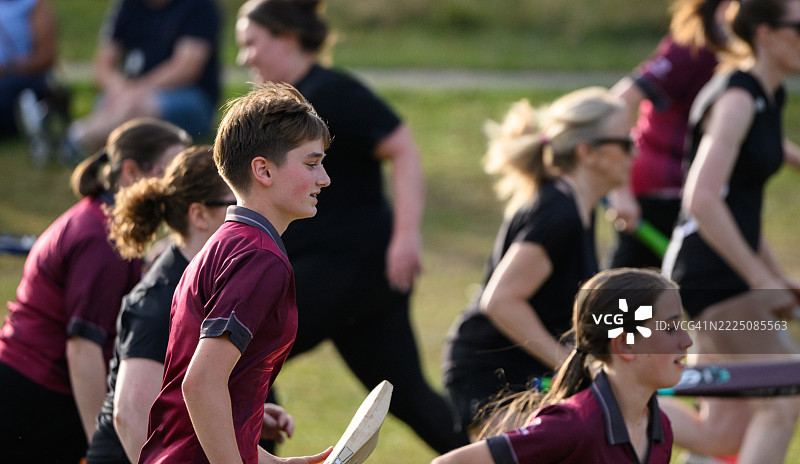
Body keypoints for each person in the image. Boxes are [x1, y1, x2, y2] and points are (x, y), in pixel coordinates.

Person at [234, 0, 469, 453]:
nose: (245, 57)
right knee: (411, 398)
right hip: (355, 278)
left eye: (251, 42)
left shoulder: (331, 91)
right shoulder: (284, 107)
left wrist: (406, 235)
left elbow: (402, 147)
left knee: (244, 354)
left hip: (349, 267)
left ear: (286, 37)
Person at [137, 82, 333, 464]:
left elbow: (206, 403)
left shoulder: (226, 242)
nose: (323, 178)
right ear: (262, 170)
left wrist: (274, 463)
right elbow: (201, 384)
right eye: (311, 164)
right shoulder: (260, 258)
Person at [441, 87, 635, 438]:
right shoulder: (559, 213)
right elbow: (501, 301)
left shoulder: (578, 207)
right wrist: (570, 365)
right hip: (493, 371)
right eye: (625, 142)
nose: (634, 152)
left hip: (527, 370)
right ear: (587, 152)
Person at [84, 146, 295, 464]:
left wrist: (237, 414)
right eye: (233, 203)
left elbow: (177, 398)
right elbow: (130, 416)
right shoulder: (157, 301)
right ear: (198, 215)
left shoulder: (209, 279)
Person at [0, 117, 190, 464]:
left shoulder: (105, 223)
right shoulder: (103, 237)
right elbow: (82, 347)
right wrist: (97, 449)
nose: (182, 188)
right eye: (173, 173)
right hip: (34, 396)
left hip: (38, 390)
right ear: (132, 172)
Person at [662, 1, 800, 463]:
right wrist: (761, 281)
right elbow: (701, 198)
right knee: (783, 397)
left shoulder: (769, 95)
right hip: (714, 280)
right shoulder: (737, 97)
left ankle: (615, 403)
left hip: (720, 280)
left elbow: (740, 208)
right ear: (765, 33)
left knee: (722, 429)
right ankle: (609, 402)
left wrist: (775, 275)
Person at [433, 268, 694, 464]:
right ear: (625, 344)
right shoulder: (573, 426)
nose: (687, 341)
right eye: (670, 328)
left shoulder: (660, 428)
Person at [606, 0, 730, 269]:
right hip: (659, 189)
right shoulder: (690, 49)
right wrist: (620, 191)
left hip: (695, 188)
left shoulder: (738, 57)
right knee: (625, 293)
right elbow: (620, 101)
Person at [59, 0, 220, 159]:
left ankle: (76, 138)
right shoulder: (127, 5)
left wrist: (137, 91)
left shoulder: (199, 5)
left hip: (190, 98)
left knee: (136, 108)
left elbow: (187, 67)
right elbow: (102, 67)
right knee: (110, 103)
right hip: (128, 97)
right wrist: (120, 89)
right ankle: (91, 145)